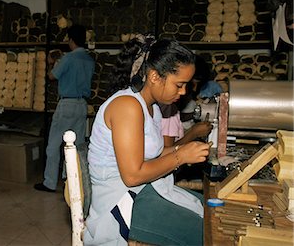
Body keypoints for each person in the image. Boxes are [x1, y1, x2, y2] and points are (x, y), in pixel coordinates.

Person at [84, 36, 210, 245]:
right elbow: (132, 176)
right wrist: (180, 156)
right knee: (203, 232)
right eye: (179, 84)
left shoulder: (151, 108)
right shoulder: (127, 106)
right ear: (154, 76)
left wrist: (185, 147)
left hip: (141, 190)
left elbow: (154, 154)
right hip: (120, 201)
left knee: (206, 207)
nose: (183, 92)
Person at [34, 24, 95, 192]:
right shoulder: (89, 59)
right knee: (77, 145)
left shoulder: (69, 58)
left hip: (67, 103)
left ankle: (49, 182)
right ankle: (72, 181)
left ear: (71, 40)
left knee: (53, 144)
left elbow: (52, 76)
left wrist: (53, 62)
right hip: (82, 105)